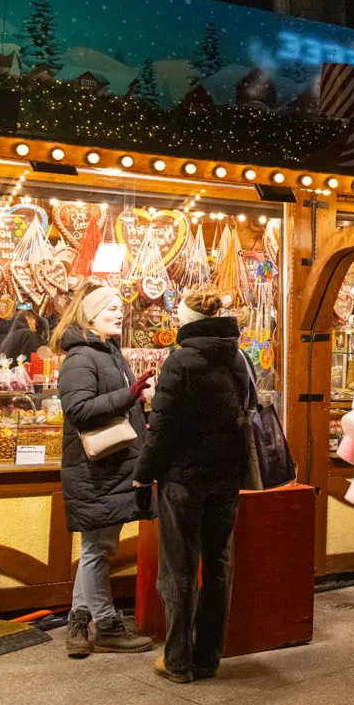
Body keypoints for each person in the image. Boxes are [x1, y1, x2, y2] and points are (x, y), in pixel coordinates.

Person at [132, 291, 245, 684]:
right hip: (227, 476)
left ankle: (178, 660)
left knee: (179, 569)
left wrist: (143, 474)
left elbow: (161, 428)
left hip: (184, 478)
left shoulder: (181, 360)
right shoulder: (238, 357)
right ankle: (209, 656)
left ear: (188, 319)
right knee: (218, 566)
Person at [56, 283, 155, 659]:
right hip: (95, 468)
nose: (119, 313)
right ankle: (109, 626)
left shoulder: (109, 353)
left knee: (95, 547)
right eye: (111, 308)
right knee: (99, 548)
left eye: (120, 307)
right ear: (91, 316)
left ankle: (78, 622)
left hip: (110, 466)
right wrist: (128, 395)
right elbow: (78, 410)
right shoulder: (81, 357)